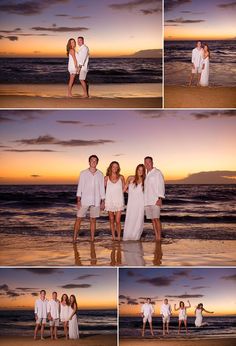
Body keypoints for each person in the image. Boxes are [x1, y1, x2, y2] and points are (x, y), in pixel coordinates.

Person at [73, 155, 105, 242]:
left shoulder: (100, 174)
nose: (93, 162)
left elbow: (102, 188)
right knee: (79, 218)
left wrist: (103, 201)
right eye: (92, 160)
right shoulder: (83, 173)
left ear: (97, 162)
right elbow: (80, 187)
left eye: (95, 161)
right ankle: (74, 239)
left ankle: (92, 239)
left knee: (93, 220)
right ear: (89, 162)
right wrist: (78, 200)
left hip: (96, 200)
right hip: (85, 200)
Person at [144, 156, 165, 241]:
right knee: (152, 219)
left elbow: (161, 185)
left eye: (149, 162)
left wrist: (160, 198)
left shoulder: (157, 172)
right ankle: (156, 236)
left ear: (152, 163)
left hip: (155, 199)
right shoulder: (145, 175)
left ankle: (159, 237)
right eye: (146, 162)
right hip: (147, 200)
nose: (147, 164)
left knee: (156, 219)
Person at [123, 164, 146, 241]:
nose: (140, 171)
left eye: (142, 170)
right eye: (139, 170)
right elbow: (124, 190)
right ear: (136, 170)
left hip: (140, 204)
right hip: (131, 203)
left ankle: (136, 238)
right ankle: (127, 237)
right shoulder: (130, 178)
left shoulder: (145, 181)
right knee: (130, 218)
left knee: (138, 220)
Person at [105, 161, 125, 241]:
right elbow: (102, 190)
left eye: (116, 167)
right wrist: (101, 200)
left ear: (118, 168)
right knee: (111, 220)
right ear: (110, 167)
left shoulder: (121, 177)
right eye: (113, 166)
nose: (115, 168)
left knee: (117, 220)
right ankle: (113, 237)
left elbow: (124, 189)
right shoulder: (106, 178)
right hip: (109, 201)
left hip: (119, 201)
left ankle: (119, 237)